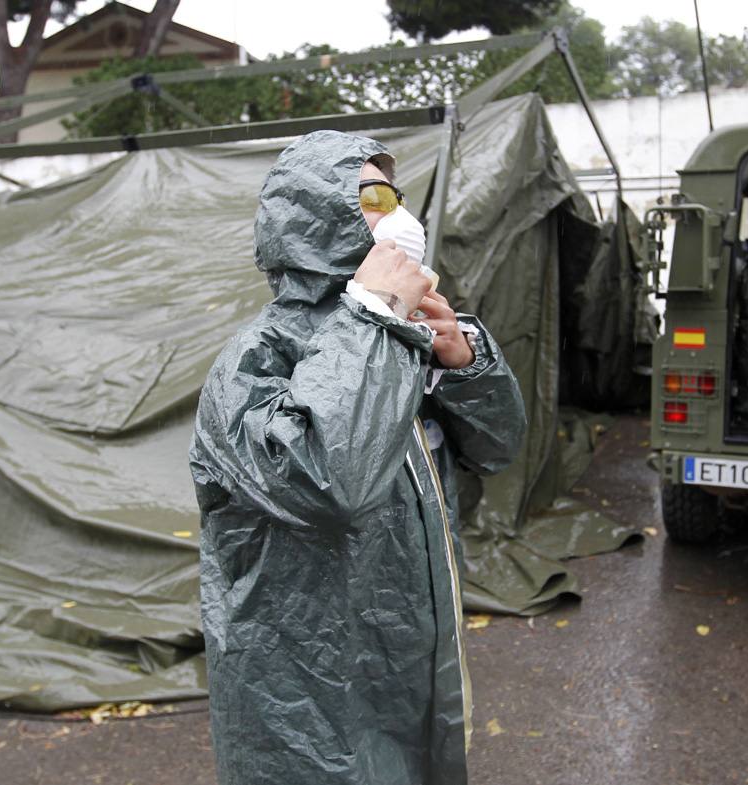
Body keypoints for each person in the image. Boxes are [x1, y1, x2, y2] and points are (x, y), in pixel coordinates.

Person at [189, 130, 526, 785]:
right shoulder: (254, 364)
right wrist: (373, 316)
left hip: (409, 669)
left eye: (396, 194)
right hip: (307, 707)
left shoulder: (398, 342)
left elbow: (497, 447)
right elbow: (328, 480)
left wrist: (463, 363)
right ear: (316, 214)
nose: (397, 214)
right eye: (370, 195)